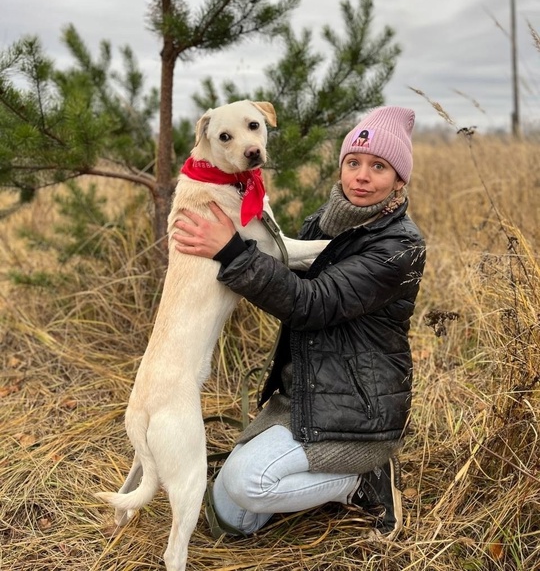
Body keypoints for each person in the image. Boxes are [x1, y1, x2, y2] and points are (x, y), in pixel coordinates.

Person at [172, 106, 426, 541]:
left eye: (378, 167)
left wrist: (232, 253)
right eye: (354, 162)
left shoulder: (398, 246)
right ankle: (309, 485)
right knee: (230, 515)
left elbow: (312, 302)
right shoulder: (322, 225)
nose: (362, 176)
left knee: (248, 484)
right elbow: (281, 272)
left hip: (357, 409)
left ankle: (363, 478)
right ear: (342, 167)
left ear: (399, 180)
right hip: (307, 393)